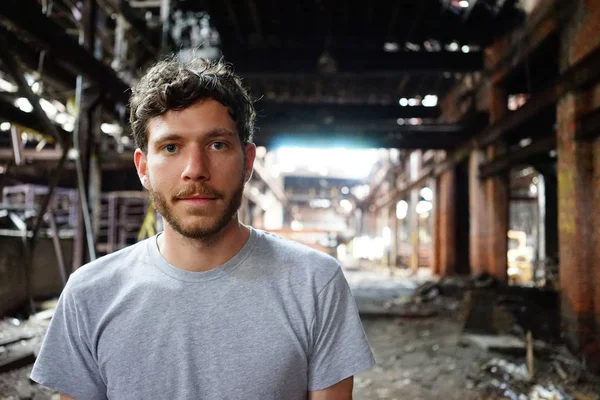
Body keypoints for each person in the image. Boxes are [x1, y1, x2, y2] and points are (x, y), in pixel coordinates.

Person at [30, 57, 376, 400]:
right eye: (170, 147)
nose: (195, 169)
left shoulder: (314, 284)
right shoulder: (90, 293)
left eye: (217, 145)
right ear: (143, 167)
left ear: (248, 162)